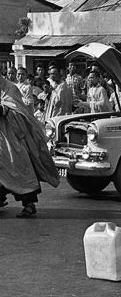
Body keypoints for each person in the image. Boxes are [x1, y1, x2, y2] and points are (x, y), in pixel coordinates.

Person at [0, 75, 60, 217]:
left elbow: (18, 110)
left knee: (20, 169)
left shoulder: (10, 88)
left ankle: (29, 205)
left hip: (12, 138)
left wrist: (3, 109)